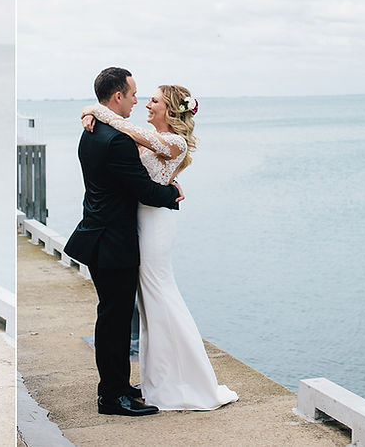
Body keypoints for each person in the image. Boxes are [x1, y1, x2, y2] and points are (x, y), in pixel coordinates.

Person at [82, 84, 238, 411]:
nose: (145, 104)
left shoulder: (173, 141)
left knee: (159, 294)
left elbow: (127, 130)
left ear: (169, 109)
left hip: (154, 225)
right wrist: (90, 111)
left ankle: (184, 379)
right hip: (134, 223)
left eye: (153, 101)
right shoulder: (138, 137)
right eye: (143, 97)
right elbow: (127, 143)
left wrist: (95, 109)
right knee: (150, 302)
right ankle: (158, 379)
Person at [64, 67, 183, 417]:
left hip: (99, 236)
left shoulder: (93, 131)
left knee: (113, 318)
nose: (136, 100)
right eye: (132, 94)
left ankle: (118, 385)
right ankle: (111, 396)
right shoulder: (115, 140)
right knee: (114, 321)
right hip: (113, 242)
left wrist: (90, 110)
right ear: (117, 96)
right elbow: (143, 189)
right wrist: (171, 194)